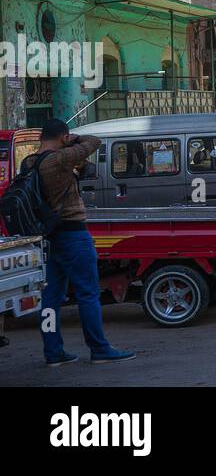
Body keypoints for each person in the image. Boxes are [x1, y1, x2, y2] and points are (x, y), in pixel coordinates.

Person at [24, 119, 135, 365]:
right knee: (88, 293)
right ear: (62, 138)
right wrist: (73, 139)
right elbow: (94, 142)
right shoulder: (59, 159)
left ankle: (53, 352)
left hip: (48, 237)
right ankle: (99, 348)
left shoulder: (30, 162)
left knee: (50, 298)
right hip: (73, 234)